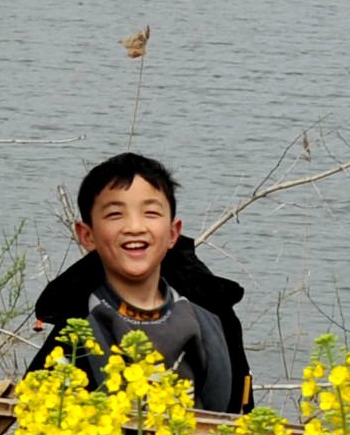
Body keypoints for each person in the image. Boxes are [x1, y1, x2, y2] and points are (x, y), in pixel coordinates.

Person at [29, 150, 254, 414]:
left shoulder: (208, 317)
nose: (134, 227)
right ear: (87, 235)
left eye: (150, 213)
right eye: (115, 214)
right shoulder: (78, 325)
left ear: (173, 233)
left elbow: (232, 407)